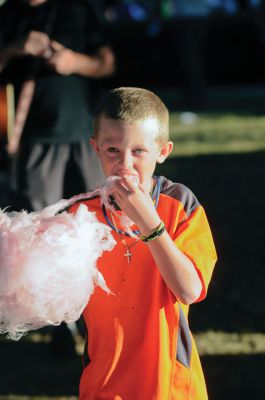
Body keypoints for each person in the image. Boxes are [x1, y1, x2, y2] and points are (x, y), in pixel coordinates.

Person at [69, 87, 217, 399]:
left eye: (138, 152)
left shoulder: (179, 205)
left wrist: (149, 222)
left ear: (163, 151)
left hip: (169, 385)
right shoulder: (81, 215)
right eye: (113, 151)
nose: (124, 164)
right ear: (95, 147)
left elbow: (189, 290)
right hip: (102, 384)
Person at [0, 0, 115, 212]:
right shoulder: (7, 14)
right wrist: (12, 49)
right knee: (37, 226)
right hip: (33, 141)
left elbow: (107, 64)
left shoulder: (78, 8)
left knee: (96, 218)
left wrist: (74, 62)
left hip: (85, 136)